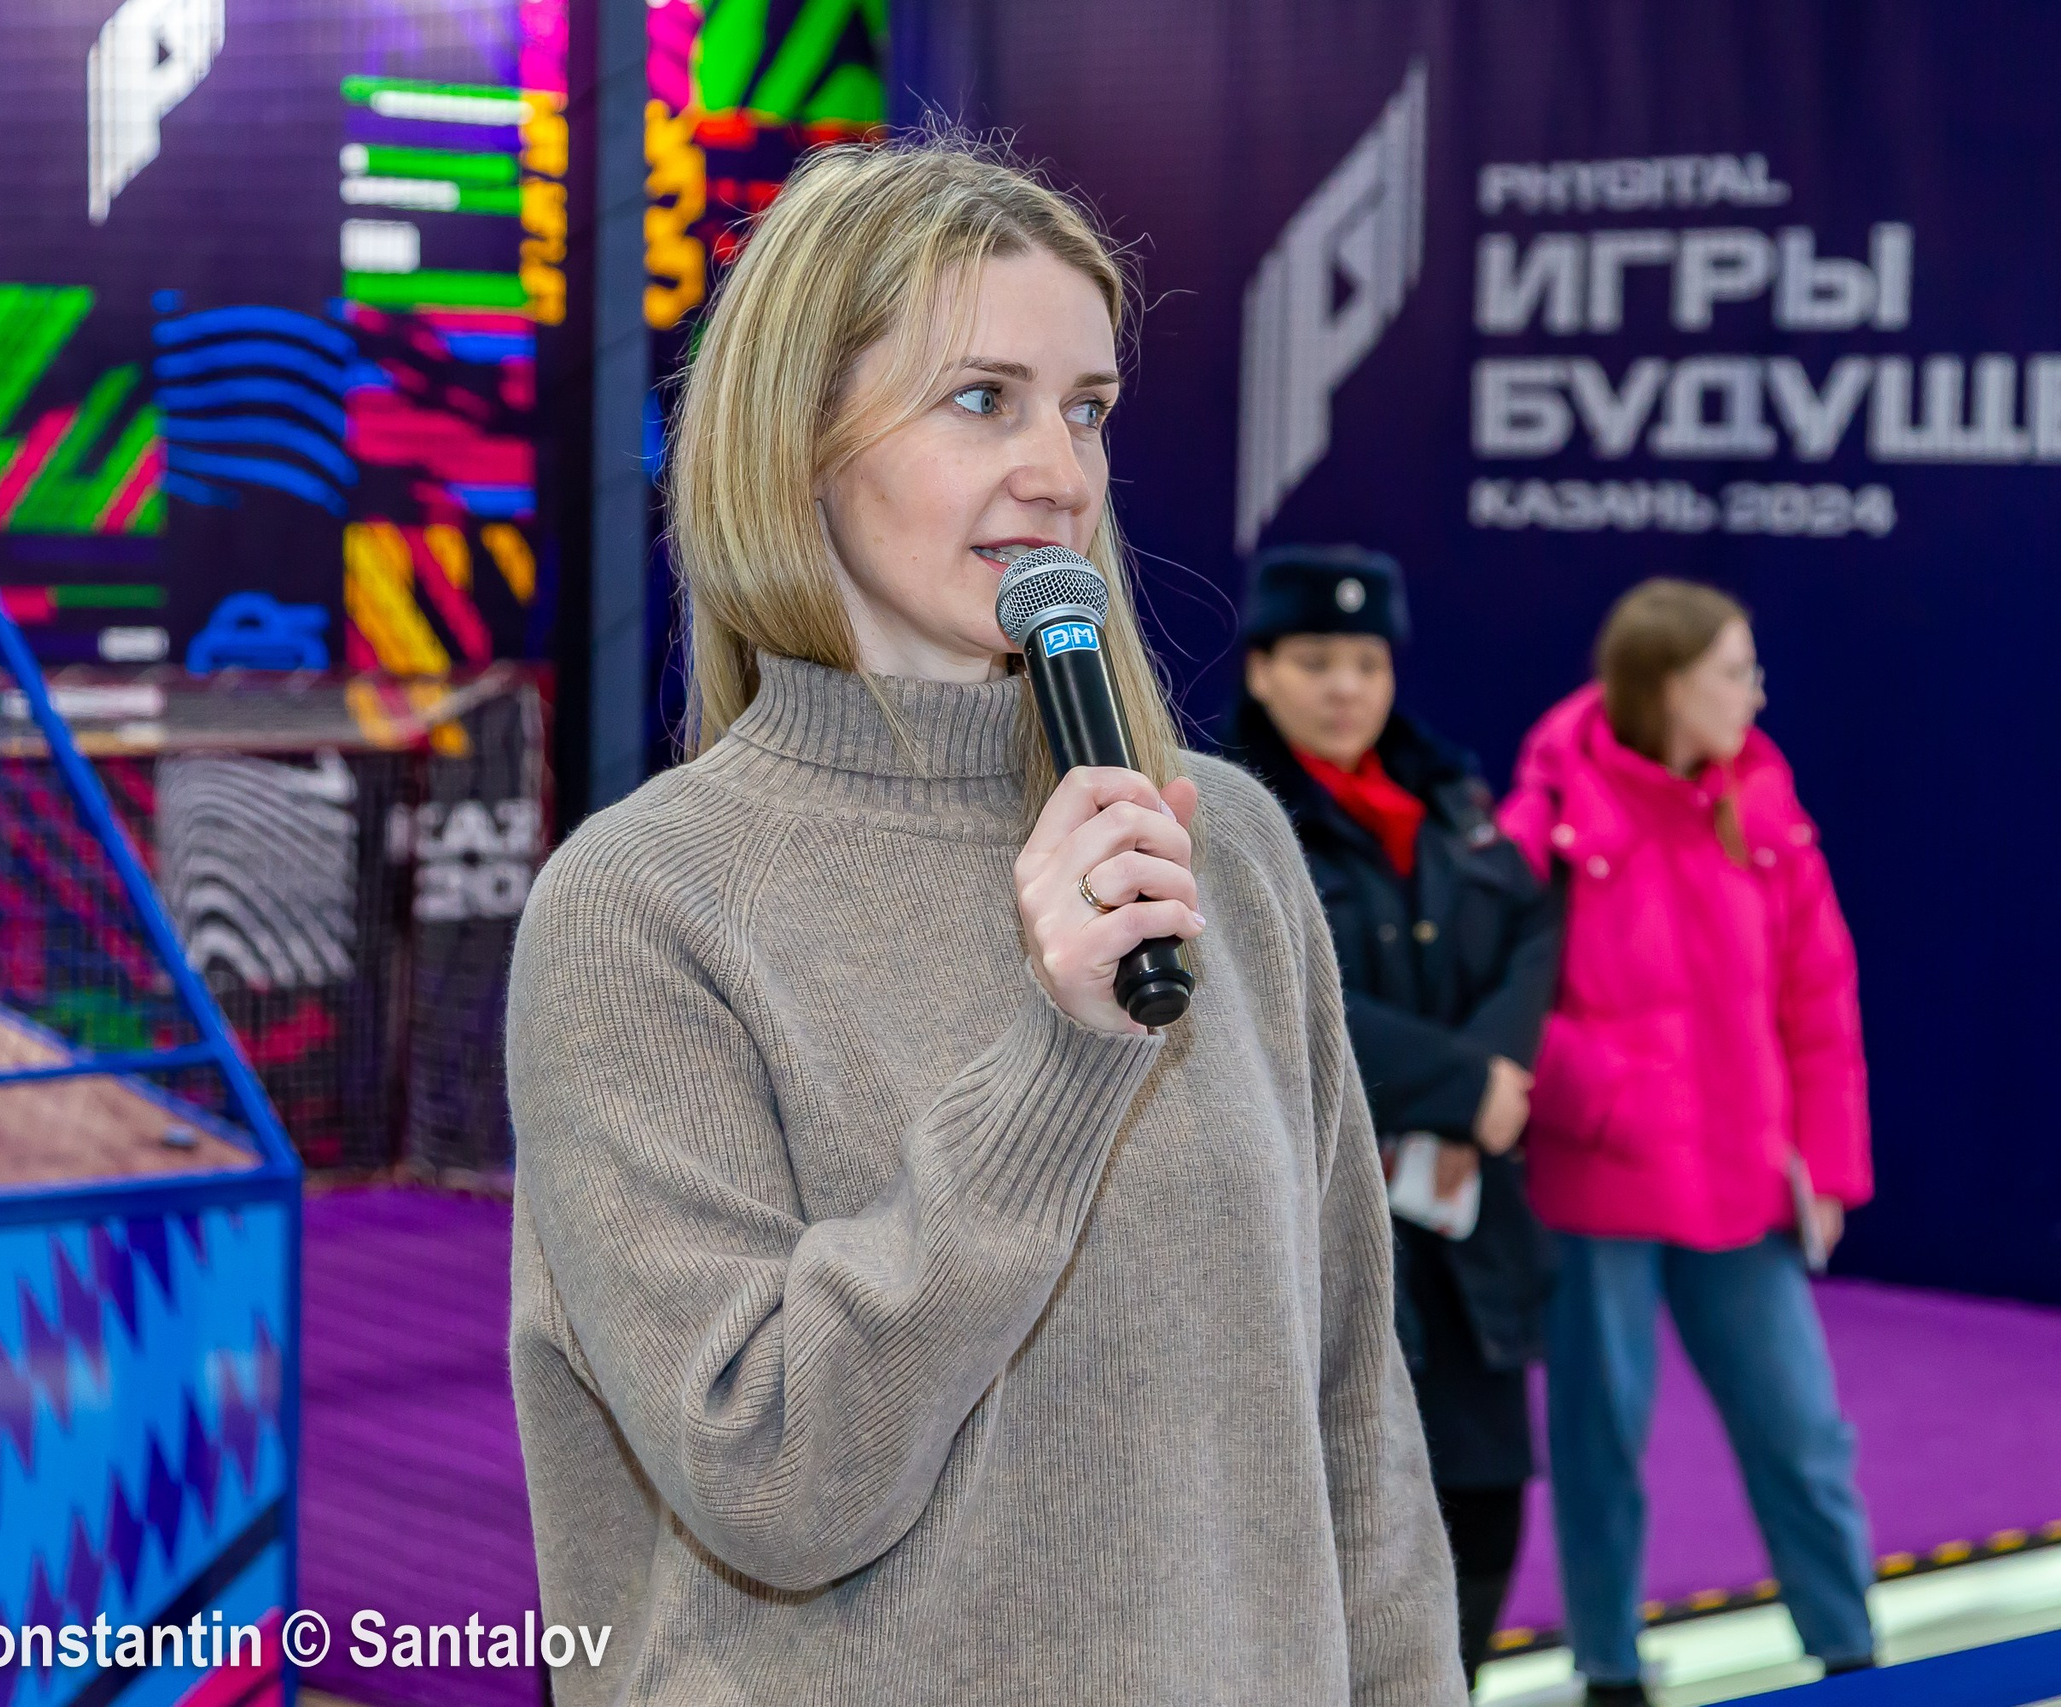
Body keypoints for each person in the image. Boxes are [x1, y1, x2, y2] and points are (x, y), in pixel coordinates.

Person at [503, 138, 1466, 1706]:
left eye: (1085, 408)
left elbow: (1353, 1411)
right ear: (798, 437)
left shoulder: (1223, 853)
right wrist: (1058, 1055)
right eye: (982, 399)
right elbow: (776, 1478)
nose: (1061, 470)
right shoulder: (641, 906)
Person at [1497, 579, 1876, 1704]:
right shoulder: (1548, 817)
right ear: (1668, 685)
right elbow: (1506, 998)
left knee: (1802, 1432)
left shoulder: (1765, 804)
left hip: (1739, 1181)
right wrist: (1607, 1101)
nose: (1754, 693)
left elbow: (1819, 997)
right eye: (1732, 671)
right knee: (1599, 1443)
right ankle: (1608, 1667)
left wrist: (1828, 1163)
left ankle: (1850, 1653)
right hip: (1598, 1184)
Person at [1224, 543, 1560, 1684]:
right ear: (1262, 670)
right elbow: (1270, 982)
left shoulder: (1452, 799)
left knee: (1482, 1519)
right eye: (1314, 660)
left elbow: (1529, 931)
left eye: (1364, 662)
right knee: (1346, 1531)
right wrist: (1462, 1085)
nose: (1343, 687)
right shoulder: (1228, 811)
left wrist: (1493, 1074)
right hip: (1321, 1230)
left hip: (1465, 1238)